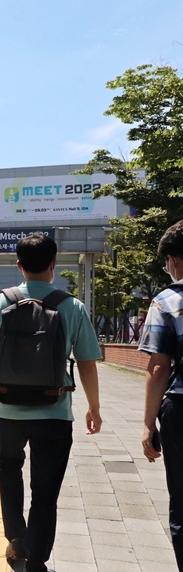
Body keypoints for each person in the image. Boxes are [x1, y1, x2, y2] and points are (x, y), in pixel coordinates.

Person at [0, 233, 102, 572]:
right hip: (55, 412)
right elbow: (86, 362)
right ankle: (38, 559)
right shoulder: (72, 306)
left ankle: (17, 541)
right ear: (54, 265)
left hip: (10, 410)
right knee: (45, 490)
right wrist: (94, 408)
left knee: (9, 470)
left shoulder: (0, 302)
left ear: (19, 265)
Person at [140, 219, 183, 569]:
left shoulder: (168, 301)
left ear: (174, 261)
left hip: (180, 410)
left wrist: (147, 423)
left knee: (182, 503)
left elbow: (158, 368)